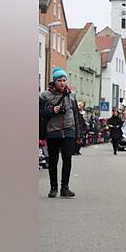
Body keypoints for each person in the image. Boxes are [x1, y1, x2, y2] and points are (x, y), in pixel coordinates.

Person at [39, 67, 86, 198]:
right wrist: (52, 110)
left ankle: (65, 187)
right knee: (53, 160)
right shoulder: (45, 96)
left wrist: (78, 134)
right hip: (52, 131)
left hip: (69, 130)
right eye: (59, 80)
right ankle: (53, 187)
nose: (62, 83)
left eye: (64, 80)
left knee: (67, 158)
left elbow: (76, 115)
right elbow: (39, 112)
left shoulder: (71, 95)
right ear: (54, 81)